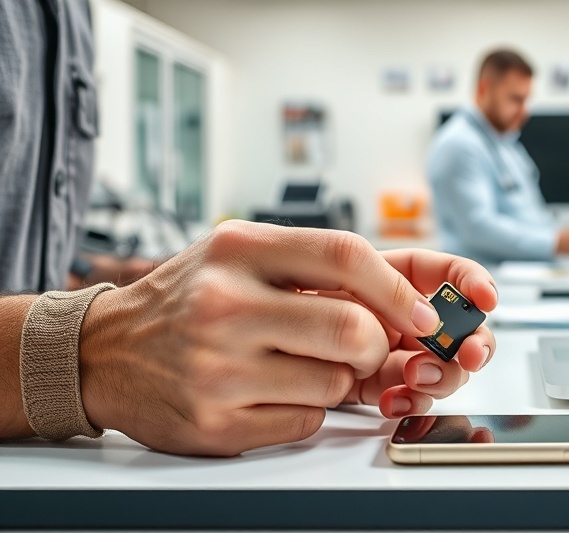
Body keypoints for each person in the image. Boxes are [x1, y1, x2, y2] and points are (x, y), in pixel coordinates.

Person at [0, 0, 497, 457]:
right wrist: (89, 349)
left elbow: (39, 262)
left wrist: (170, 293)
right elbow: (76, 323)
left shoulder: (73, 14)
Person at [427, 49, 569, 265]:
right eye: (515, 99)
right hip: (488, 284)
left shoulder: (506, 144)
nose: (524, 111)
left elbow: (530, 214)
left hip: (528, 275)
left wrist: (565, 238)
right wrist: (554, 242)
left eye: (526, 100)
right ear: (484, 90)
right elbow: (478, 227)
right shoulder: (457, 144)